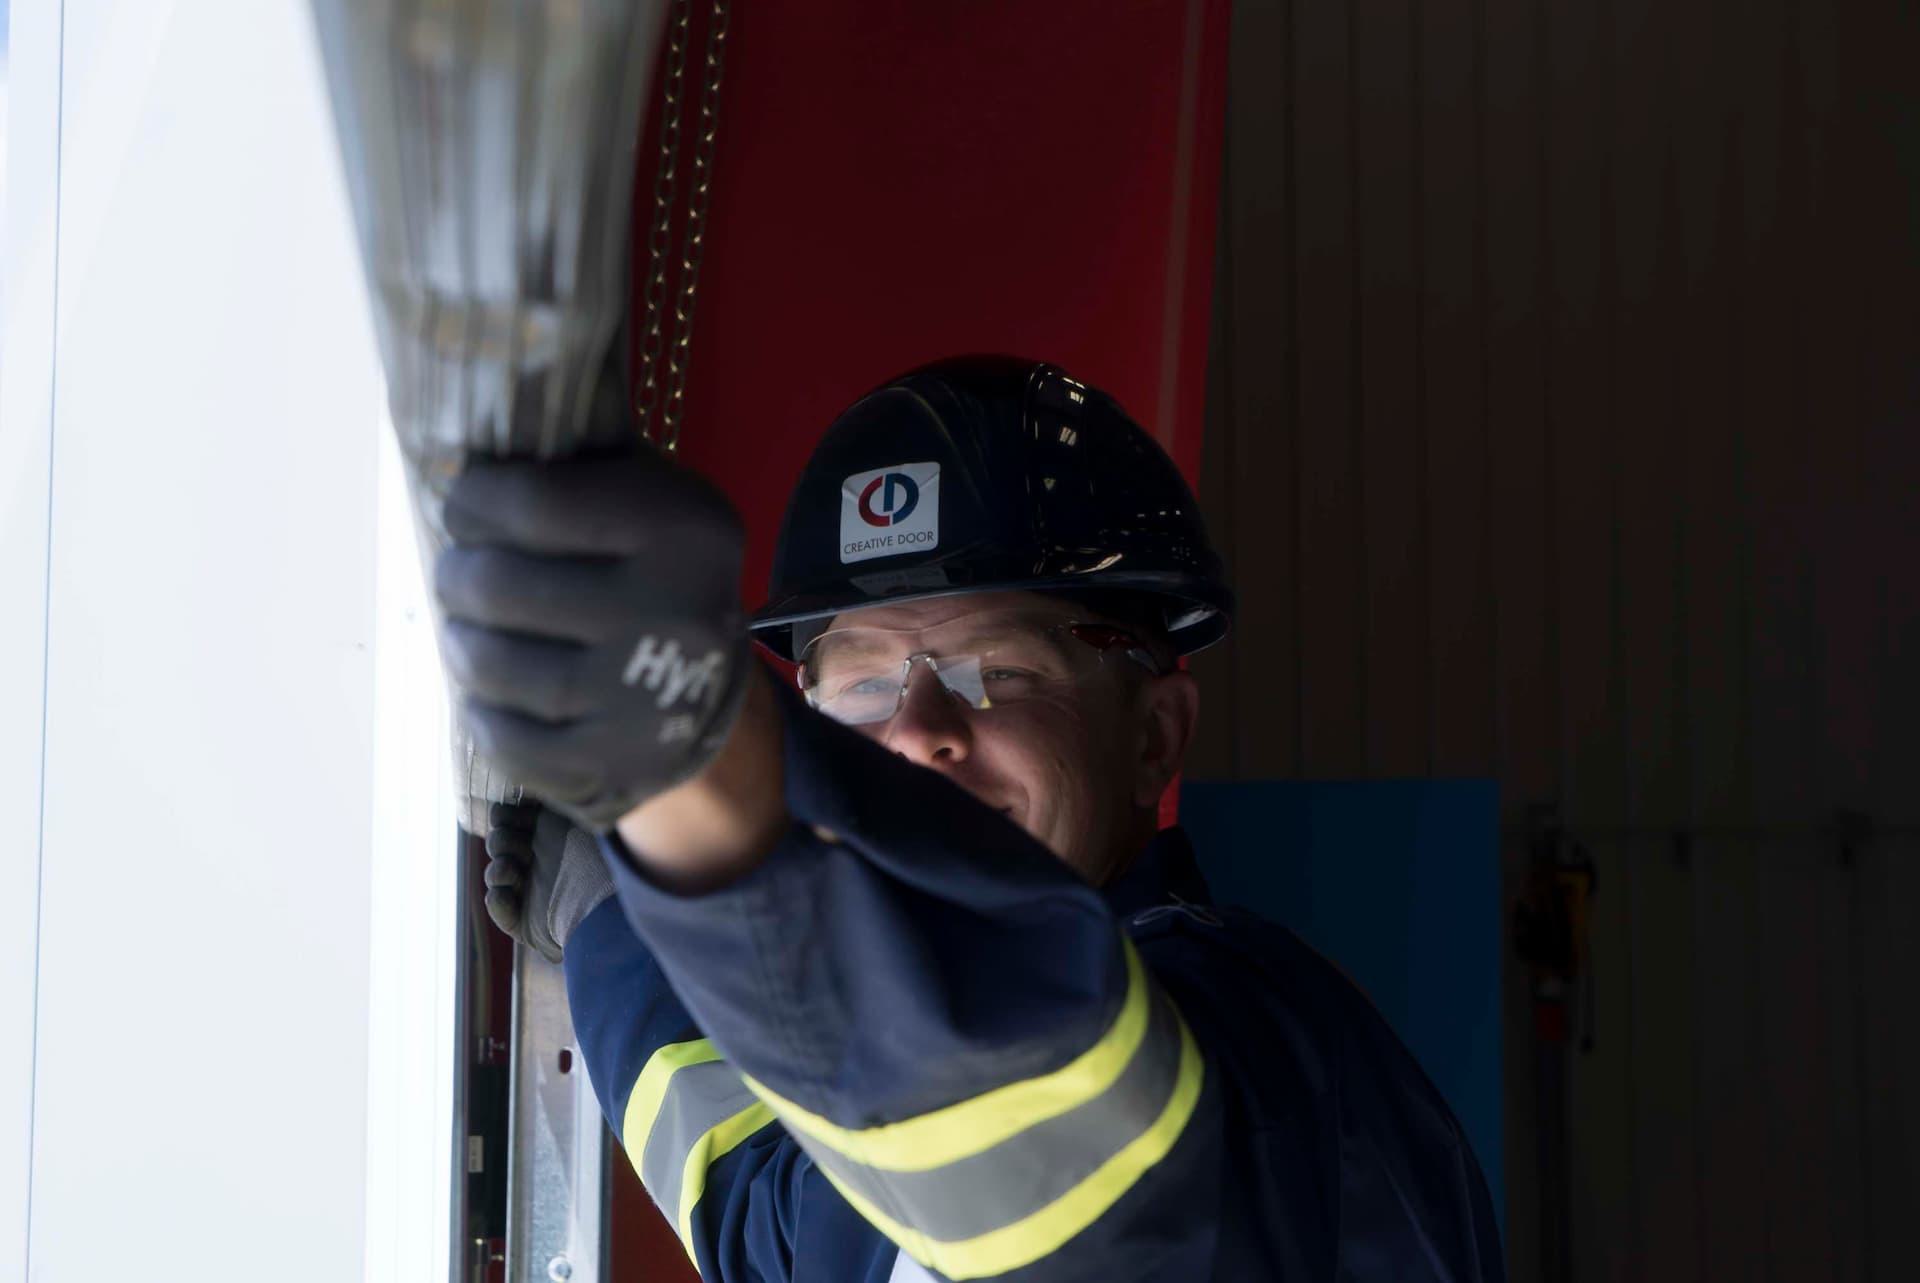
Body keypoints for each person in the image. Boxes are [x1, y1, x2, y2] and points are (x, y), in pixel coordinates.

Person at [446, 357, 1505, 1282]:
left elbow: (1038, 1148)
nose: (916, 733)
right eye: (861, 686)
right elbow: (775, 1216)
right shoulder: (908, 1137)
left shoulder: (1251, 1049)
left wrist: (697, 772)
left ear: (1153, 737)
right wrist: (613, 918)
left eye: (996, 672)